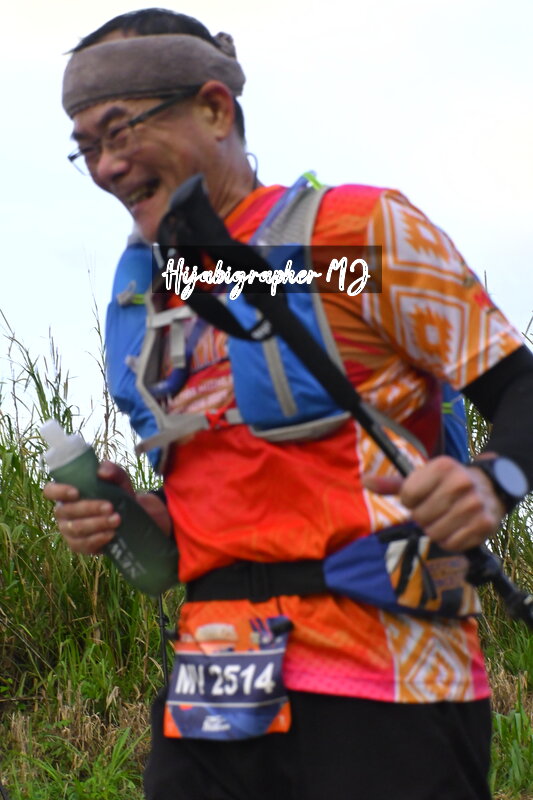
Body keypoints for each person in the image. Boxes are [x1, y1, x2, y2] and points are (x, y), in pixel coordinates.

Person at [44, 9, 533, 800]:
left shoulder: (349, 241)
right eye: (86, 146)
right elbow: (232, 488)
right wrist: (143, 518)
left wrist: (492, 479)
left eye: (120, 130)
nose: (106, 165)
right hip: (214, 691)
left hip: (387, 680)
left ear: (215, 109)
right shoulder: (152, 294)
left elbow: (518, 386)